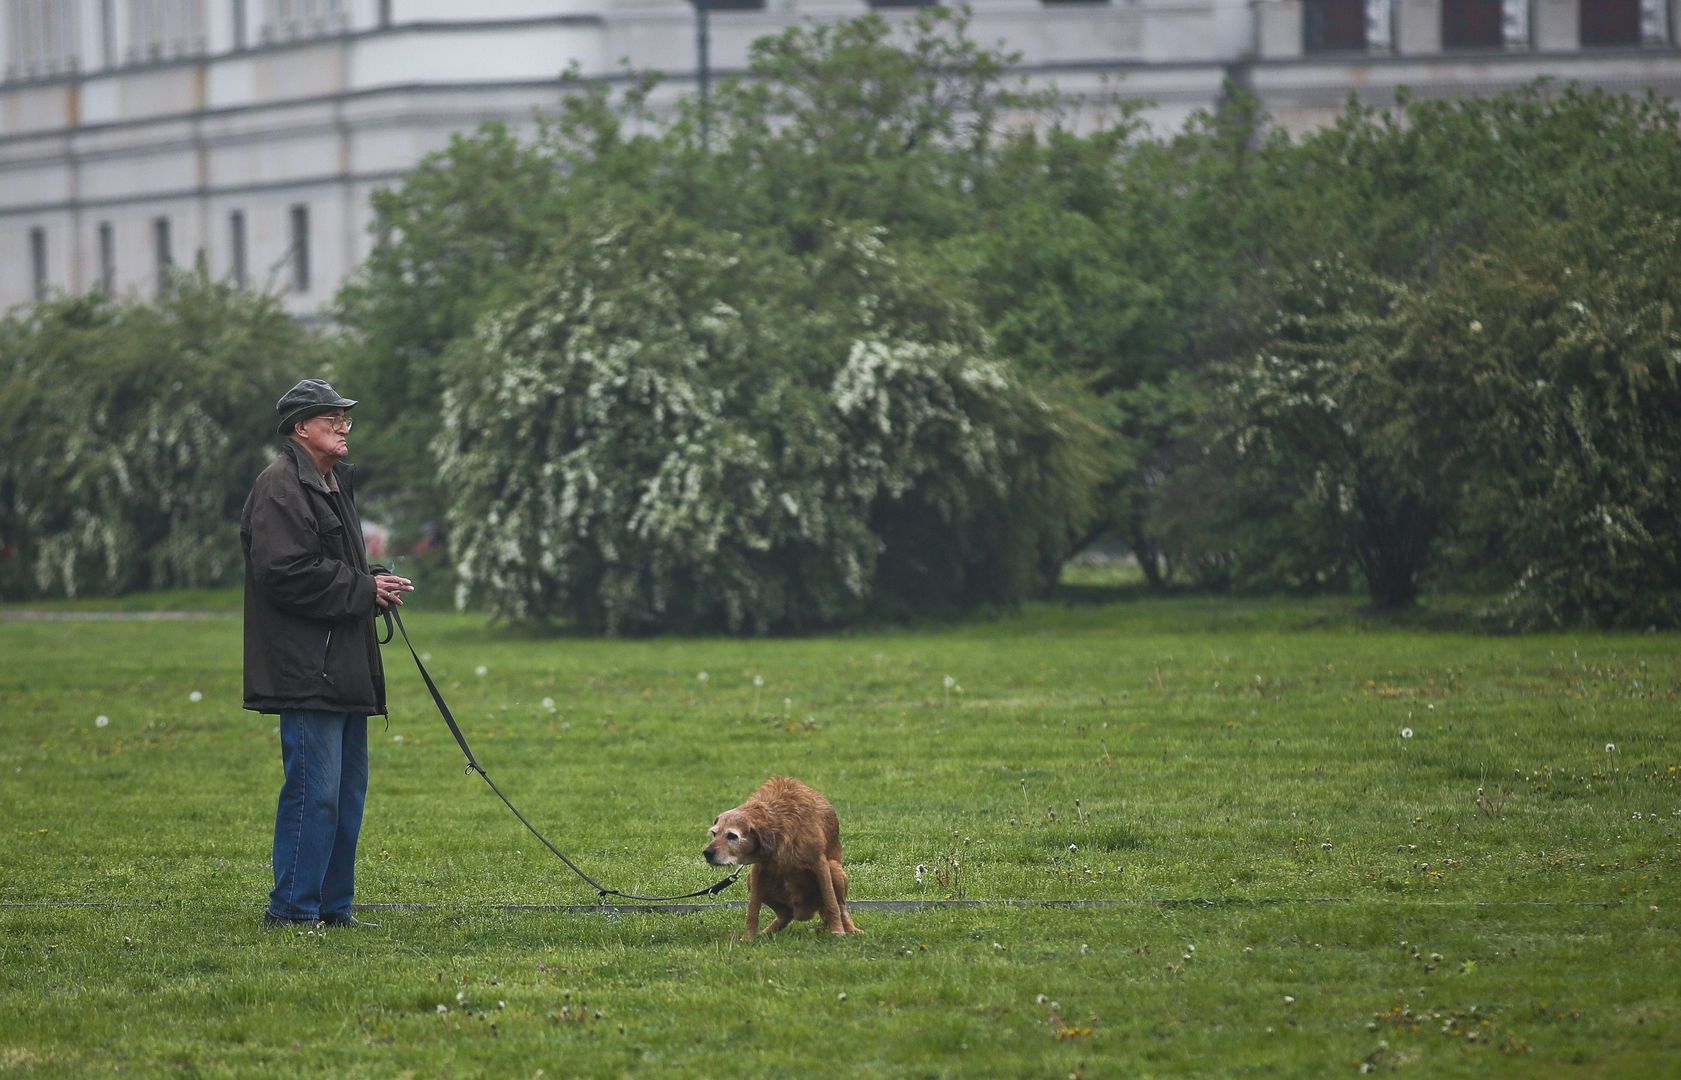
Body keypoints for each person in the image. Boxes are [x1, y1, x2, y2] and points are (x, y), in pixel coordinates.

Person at [242, 378, 413, 929]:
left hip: (343, 665)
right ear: (300, 428)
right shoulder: (280, 487)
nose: (343, 426)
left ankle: (334, 910)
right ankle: (292, 910)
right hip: (306, 668)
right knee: (313, 794)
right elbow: (283, 572)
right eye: (331, 417)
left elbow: (329, 565)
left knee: (345, 796)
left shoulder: (333, 482)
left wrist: (374, 583)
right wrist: (365, 591)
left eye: (345, 417)